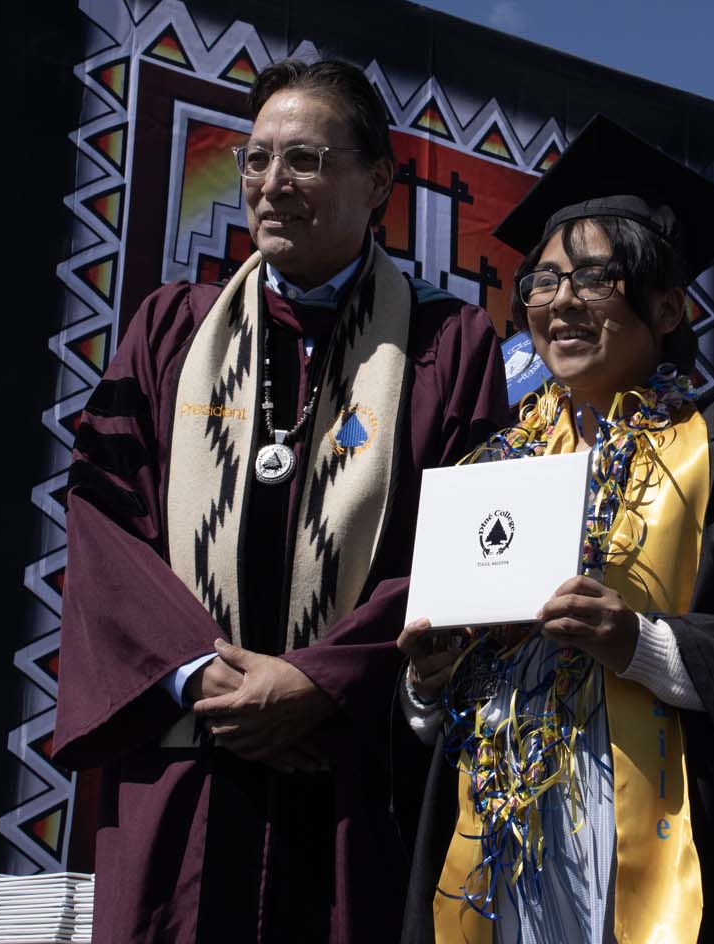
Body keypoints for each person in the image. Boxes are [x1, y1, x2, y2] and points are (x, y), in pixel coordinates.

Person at [52, 58, 511, 944]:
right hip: (185, 762)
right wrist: (204, 678)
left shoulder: (446, 342)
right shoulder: (170, 330)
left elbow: (461, 552)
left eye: (304, 159)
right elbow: (105, 523)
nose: (270, 184)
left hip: (348, 776)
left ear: (378, 180)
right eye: (255, 159)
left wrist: (315, 682)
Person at [395, 116, 714, 943]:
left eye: (596, 278)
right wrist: (430, 685)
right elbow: (441, 722)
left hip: (667, 840)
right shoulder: (486, 471)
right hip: (499, 854)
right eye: (541, 282)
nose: (561, 302)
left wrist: (640, 645)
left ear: (670, 304)